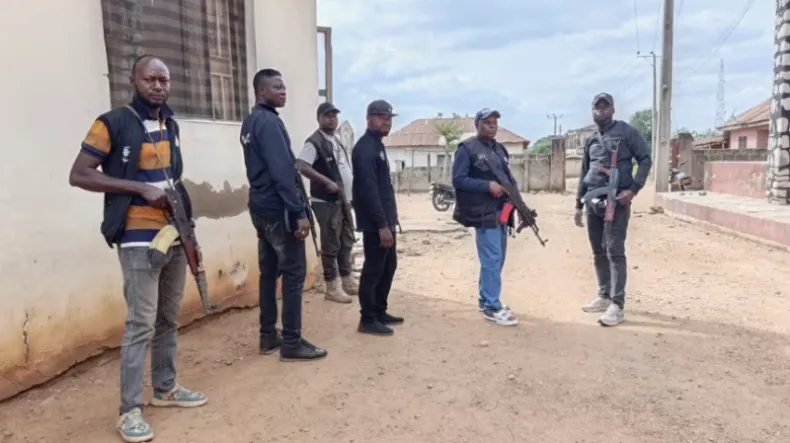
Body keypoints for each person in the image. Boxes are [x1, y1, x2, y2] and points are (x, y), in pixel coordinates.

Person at [68, 54, 207, 443]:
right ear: (133, 80)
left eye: (164, 79)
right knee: (140, 324)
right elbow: (79, 174)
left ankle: (165, 388)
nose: (158, 86)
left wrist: (189, 231)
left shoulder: (169, 123)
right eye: (150, 79)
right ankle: (129, 411)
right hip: (137, 237)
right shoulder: (112, 122)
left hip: (173, 233)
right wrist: (138, 188)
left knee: (168, 318)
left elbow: (172, 179)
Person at [239, 68, 328, 361]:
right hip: (279, 211)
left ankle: (268, 335)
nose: (283, 91)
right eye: (277, 87)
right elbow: (283, 173)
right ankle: (291, 341)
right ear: (261, 91)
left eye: (284, 86)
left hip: (261, 207)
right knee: (293, 272)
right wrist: (299, 212)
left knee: (269, 272)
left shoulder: (251, 122)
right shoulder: (268, 122)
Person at [574, 92, 652, 327]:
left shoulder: (626, 132)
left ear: (613, 109)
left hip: (616, 201)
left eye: (605, 106)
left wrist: (633, 189)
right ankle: (604, 294)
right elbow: (584, 172)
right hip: (592, 201)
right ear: (592, 111)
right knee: (598, 250)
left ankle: (617, 304)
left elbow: (645, 159)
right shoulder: (591, 139)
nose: (601, 110)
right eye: (597, 107)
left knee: (615, 251)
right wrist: (578, 204)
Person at [451, 108, 519, 327]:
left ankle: (485, 299)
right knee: (492, 258)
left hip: (503, 211)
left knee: (498, 258)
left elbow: (508, 178)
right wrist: (487, 185)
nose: (492, 126)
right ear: (477, 125)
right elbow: (458, 180)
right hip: (483, 212)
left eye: (494, 122)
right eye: (487, 122)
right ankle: (492, 307)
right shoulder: (467, 149)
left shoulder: (499, 149)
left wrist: (515, 201)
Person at [296, 102, 358, 304]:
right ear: (319, 118)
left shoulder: (336, 139)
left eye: (334, 115)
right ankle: (332, 287)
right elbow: (302, 165)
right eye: (327, 115)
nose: (332, 119)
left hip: (342, 200)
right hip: (325, 201)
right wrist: (326, 181)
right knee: (331, 244)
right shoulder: (314, 142)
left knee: (346, 240)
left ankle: (347, 280)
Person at [351, 99, 402, 336]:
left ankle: (380, 311)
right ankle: (367, 319)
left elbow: (383, 187)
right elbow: (369, 190)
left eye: (389, 118)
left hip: (385, 220)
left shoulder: (377, 146)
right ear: (369, 118)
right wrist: (382, 224)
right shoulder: (364, 148)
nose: (387, 122)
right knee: (373, 268)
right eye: (382, 117)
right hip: (375, 223)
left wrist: (392, 219)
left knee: (388, 266)